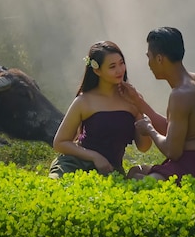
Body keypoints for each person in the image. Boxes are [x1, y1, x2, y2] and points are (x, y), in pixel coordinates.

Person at [124, 27, 195, 183]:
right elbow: (175, 130)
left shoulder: (181, 94)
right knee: (135, 170)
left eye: (149, 57)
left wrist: (149, 129)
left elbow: (172, 151)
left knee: (142, 182)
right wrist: (138, 102)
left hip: (192, 169)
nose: (148, 64)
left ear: (160, 59)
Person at [48, 41, 152, 179]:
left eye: (121, 63)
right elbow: (60, 143)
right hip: (75, 165)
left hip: (110, 171)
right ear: (97, 70)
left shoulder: (132, 100)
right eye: (112, 66)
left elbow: (144, 147)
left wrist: (140, 108)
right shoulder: (84, 101)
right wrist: (94, 157)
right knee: (59, 187)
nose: (120, 70)